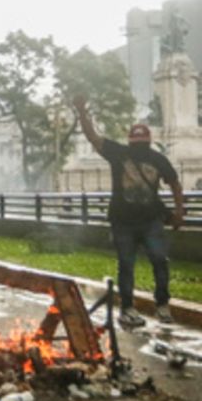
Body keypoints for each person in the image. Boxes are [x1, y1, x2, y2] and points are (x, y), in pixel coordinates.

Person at [74, 95, 185, 326]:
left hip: (140, 220)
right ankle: (146, 307)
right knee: (146, 262)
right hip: (131, 221)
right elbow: (175, 184)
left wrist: (82, 111)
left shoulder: (125, 154)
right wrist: (178, 212)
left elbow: (93, 137)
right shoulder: (147, 157)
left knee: (138, 263)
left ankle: (143, 306)